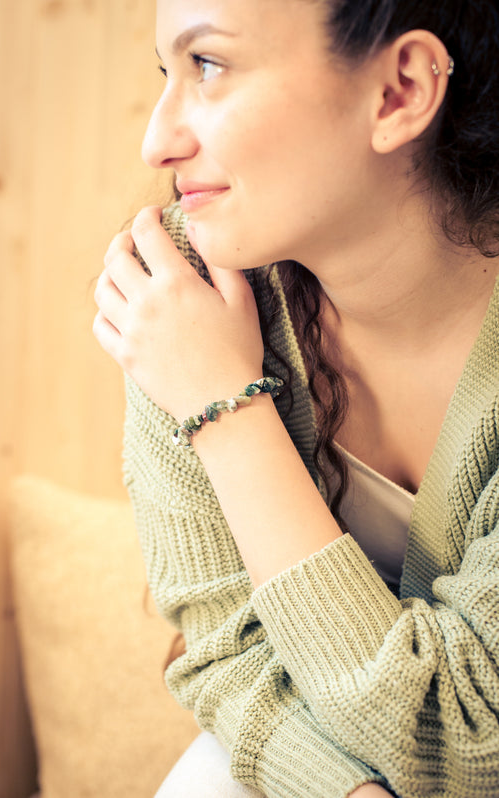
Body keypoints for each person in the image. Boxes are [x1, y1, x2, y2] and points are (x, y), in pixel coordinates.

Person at [93, 0, 499, 795]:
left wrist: (227, 409)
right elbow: (226, 652)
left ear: (399, 90)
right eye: (164, 72)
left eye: (208, 65)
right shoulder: (181, 289)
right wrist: (343, 792)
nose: (157, 140)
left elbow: (468, 735)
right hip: (316, 752)